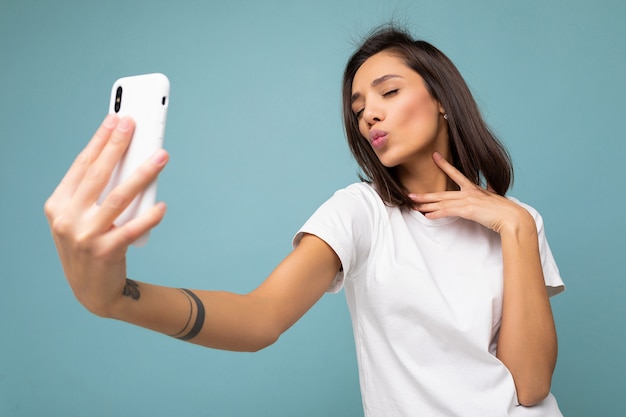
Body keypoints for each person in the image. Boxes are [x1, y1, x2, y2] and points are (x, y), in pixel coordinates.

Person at [45, 26, 565, 416]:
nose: (369, 116)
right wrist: (118, 297)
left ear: (442, 100)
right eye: (358, 108)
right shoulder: (361, 213)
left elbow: (531, 385)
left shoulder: (519, 222)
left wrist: (516, 229)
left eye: (389, 92)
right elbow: (258, 318)